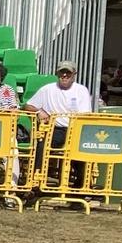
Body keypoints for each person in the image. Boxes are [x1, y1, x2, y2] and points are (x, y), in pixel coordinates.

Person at [28, 60, 94, 191]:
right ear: (57, 74)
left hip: (76, 129)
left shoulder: (81, 90)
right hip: (55, 129)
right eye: (62, 72)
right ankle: (36, 184)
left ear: (74, 74)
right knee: (41, 146)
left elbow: (85, 115)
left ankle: (81, 187)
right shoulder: (47, 89)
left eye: (68, 73)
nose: (64, 75)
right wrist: (39, 111)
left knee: (84, 151)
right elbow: (29, 105)